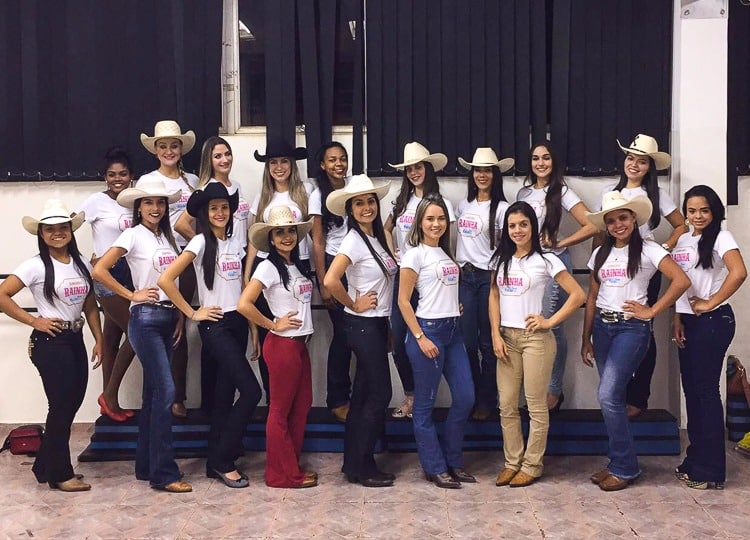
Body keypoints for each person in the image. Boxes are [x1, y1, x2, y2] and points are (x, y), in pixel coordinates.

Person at [581, 192, 689, 491]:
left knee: (607, 396)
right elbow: (592, 296)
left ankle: (625, 467)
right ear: (606, 225)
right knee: (613, 399)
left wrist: (652, 311)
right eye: (611, 220)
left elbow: (681, 280)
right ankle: (619, 461)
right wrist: (586, 337)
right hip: (602, 327)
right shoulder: (599, 253)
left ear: (634, 219)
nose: (618, 224)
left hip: (631, 329)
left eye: (623, 218)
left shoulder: (650, 250)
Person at [158, 183, 262, 488]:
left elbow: (242, 289)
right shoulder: (200, 241)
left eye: (224, 207)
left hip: (238, 322)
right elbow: (166, 279)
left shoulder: (236, 242)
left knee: (224, 397)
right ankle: (223, 460)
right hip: (215, 326)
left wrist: (253, 329)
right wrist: (193, 313)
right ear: (204, 213)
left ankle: (214, 460)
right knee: (251, 391)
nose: (220, 213)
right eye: (214, 208)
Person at [92, 176, 192, 493]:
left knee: (153, 395)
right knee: (166, 391)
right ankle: (164, 474)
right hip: (145, 319)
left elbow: (171, 281)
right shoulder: (132, 235)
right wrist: (131, 294)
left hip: (167, 316)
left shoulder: (169, 239)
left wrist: (179, 315)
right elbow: (99, 270)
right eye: (148, 203)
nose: (155, 208)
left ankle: (146, 465)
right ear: (138, 208)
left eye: (160, 203)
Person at [0, 200, 102, 492]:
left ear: (70, 230)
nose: (57, 233)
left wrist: (99, 339)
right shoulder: (34, 266)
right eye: (50, 229)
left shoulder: (80, 263)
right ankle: (60, 473)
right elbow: (2, 295)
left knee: (71, 404)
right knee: (60, 407)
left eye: (62, 228)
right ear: (42, 234)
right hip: (50, 342)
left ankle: (44, 465)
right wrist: (35, 321)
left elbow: (90, 304)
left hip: (74, 338)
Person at [489, 202, 585, 487]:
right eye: (512, 226)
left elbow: (578, 295)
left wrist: (549, 321)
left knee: (535, 406)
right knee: (507, 404)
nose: (517, 230)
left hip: (536, 340)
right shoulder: (500, 260)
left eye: (523, 224)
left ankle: (532, 465)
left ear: (533, 226)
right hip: (506, 337)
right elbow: (493, 296)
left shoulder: (547, 260)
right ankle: (512, 462)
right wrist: (495, 333)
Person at [596, 134, 688, 418]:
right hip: (613, 263)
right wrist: (598, 259)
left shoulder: (657, 194)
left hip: (644, 265)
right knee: (612, 329)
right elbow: (600, 230)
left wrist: (665, 247)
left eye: (642, 161)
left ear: (650, 167)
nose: (634, 165)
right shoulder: (610, 190)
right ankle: (616, 397)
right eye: (630, 158)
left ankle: (638, 397)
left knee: (643, 330)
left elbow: (681, 225)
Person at [324, 174, 397, 487]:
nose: (366, 207)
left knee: (365, 395)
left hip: (376, 323)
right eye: (359, 203)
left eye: (370, 201)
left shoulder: (377, 237)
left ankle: (355, 463)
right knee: (380, 394)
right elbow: (330, 280)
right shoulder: (353, 240)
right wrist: (353, 303)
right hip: (362, 325)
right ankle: (362, 464)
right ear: (350, 210)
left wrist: (385, 324)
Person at [671, 185, 746, 489]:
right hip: (688, 322)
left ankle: (711, 470)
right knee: (692, 392)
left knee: (705, 392)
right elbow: (680, 284)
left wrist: (710, 302)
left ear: (714, 211)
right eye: (691, 210)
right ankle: (695, 460)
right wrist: (678, 318)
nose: (698, 216)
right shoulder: (684, 239)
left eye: (704, 210)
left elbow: (739, 272)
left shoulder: (722, 237)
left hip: (713, 322)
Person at [398, 193, 474, 489]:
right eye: (430, 218)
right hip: (427, 331)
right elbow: (403, 301)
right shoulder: (414, 254)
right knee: (424, 405)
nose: (436, 224)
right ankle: (434, 466)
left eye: (441, 218)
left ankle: (453, 461)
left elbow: (441, 289)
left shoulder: (445, 253)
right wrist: (420, 337)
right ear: (420, 222)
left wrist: (454, 305)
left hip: (453, 331)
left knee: (465, 398)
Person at [238, 206, 318, 489]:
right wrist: (272, 324)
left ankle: (290, 466)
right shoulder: (267, 267)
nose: (286, 237)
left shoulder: (296, 265)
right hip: (283, 346)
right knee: (280, 411)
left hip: (299, 346)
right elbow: (244, 304)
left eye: (290, 231)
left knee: (301, 406)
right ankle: (280, 475)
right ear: (270, 239)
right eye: (280, 232)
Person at [516, 141, 598, 412]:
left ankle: (553, 390)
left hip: (553, 265)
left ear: (554, 162)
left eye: (546, 158)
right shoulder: (524, 192)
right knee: (529, 325)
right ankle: (536, 388)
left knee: (550, 327)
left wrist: (561, 242)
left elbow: (592, 224)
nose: (541, 163)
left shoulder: (561, 191)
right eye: (536, 158)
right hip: (528, 266)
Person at [173, 136, 251, 412]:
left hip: (237, 263)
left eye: (227, 154)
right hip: (215, 282)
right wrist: (208, 245)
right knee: (217, 368)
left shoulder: (237, 187)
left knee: (227, 380)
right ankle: (211, 420)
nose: (224, 159)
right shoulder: (206, 191)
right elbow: (181, 224)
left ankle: (220, 428)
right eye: (218, 155)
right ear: (209, 160)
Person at [242, 139, 319, 404]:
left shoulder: (306, 191)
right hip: (268, 265)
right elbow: (254, 239)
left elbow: (315, 234)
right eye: (273, 162)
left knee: (299, 327)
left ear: (293, 164)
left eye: (284, 161)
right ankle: (274, 397)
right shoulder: (261, 197)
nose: (279, 167)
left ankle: (294, 397)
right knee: (273, 333)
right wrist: (247, 273)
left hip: (299, 263)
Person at [385, 142, 456, 419]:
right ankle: (411, 395)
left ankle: (426, 398)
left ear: (428, 168)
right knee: (399, 339)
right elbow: (386, 228)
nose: (414, 172)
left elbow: (448, 245)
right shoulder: (401, 202)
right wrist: (393, 251)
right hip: (406, 276)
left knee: (427, 337)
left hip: (432, 280)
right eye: (409, 169)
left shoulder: (441, 203)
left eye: (418, 167)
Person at [139, 120, 200, 418]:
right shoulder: (147, 180)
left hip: (186, 258)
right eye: (162, 146)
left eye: (173, 146)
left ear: (181, 149)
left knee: (180, 324)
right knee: (154, 325)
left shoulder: (193, 180)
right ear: (155, 150)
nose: (168, 151)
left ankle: (178, 396)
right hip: (158, 257)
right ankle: (157, 394)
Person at [76, 147, 136, 422]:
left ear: (131, 176)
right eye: (112, 174)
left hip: (131, 274)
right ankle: (109, 396)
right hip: (106, 274)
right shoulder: (96, 202)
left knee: (112, 340)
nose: (117, 179)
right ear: (105, 177)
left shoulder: (135, 201)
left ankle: (108, 404)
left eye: (122, 174)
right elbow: (68, 228)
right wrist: (84, 262)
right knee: (137, 332)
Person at [455, 147, 513, 419]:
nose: (482, 175)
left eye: (487, 170)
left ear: (495, 174)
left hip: (488, 279)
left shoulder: (503, 209)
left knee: (488, 343)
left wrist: (495, 277)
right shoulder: (462, 205)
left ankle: (487, 400)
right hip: (464, 278)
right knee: (467, 343)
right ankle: (472, 395)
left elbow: (507, 247)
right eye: (478, 170)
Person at [312, 142, 355, 423]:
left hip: (357, 263)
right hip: (333, 265)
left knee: (360, 332)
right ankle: (337, 398)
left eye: (342, 159)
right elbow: (317, 240)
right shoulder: (318, 194)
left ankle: (357, 396)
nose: (338, 164)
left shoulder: (354, 186)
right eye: (332, 160)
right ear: (322, 165)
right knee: (343, 333)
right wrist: (323, 282)